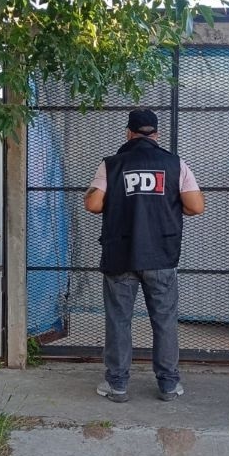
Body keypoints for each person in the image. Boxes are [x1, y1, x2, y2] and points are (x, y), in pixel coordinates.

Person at [83, 109, 205, 402]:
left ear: (128, 133)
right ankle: (168, 384)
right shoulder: (175, 164)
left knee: (119, 320)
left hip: (120, 256)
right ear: (157, 134)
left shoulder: (111, 164)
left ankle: (117, 385)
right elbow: (196, 206)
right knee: (164, 321)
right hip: (161, 255)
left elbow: (93, 204)